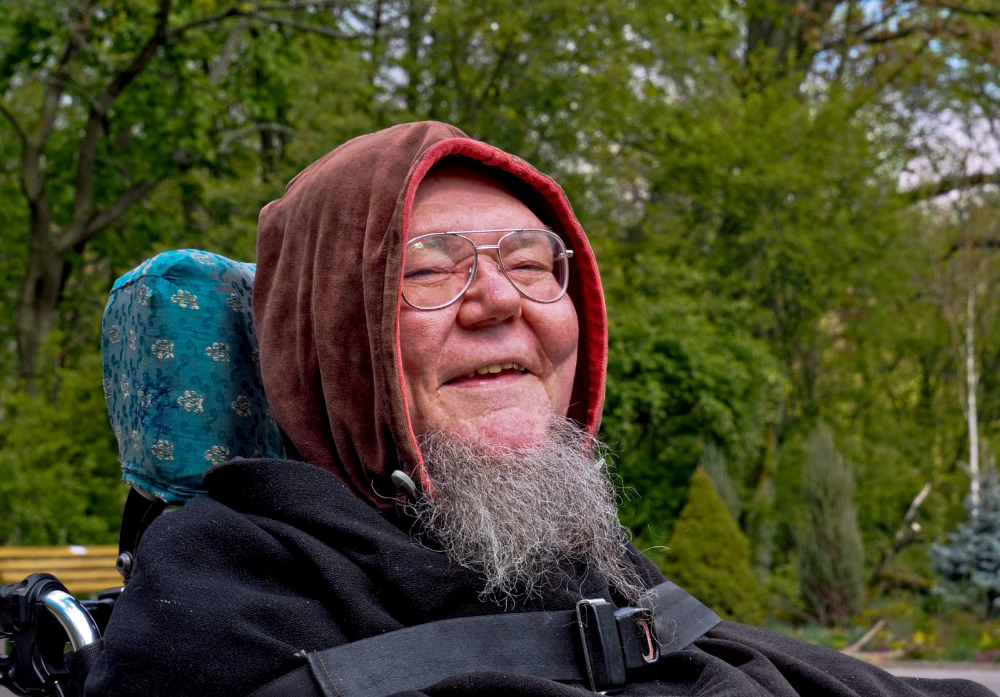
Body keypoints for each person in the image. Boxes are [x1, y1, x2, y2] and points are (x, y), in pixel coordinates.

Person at [84, 121, 990, 696]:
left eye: (529, 262)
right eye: (428, 269)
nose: (499, 300)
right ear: (330, 341)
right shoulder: (224, 595)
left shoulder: (572, 554)